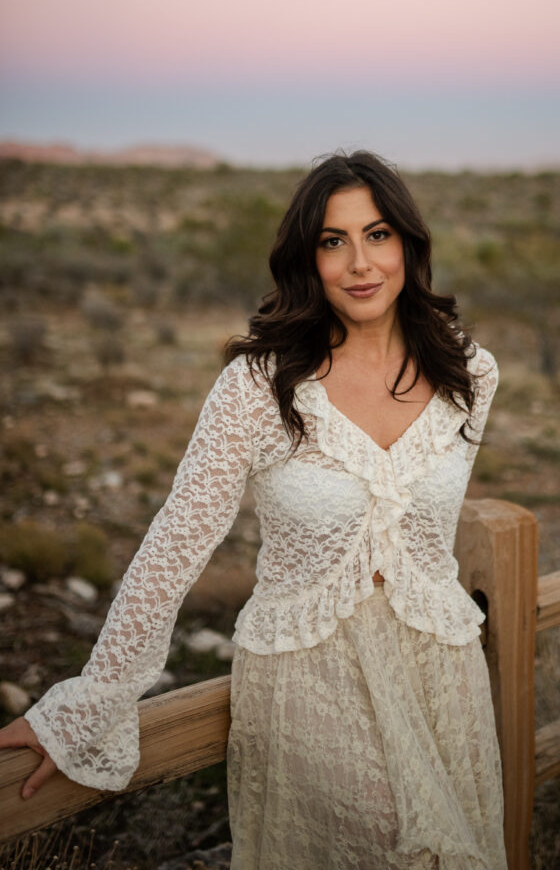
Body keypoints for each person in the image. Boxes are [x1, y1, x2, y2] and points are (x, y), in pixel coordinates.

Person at [0, 151, 507, 869]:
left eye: (379, 234)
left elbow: (424, 534)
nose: (360, 262)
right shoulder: (259, 387)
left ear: (409, 245)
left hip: (443, 679)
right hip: (312, 683)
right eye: (333, 241)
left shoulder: (470, 373)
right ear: (308, 258)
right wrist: (90, 701)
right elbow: (177, 542)